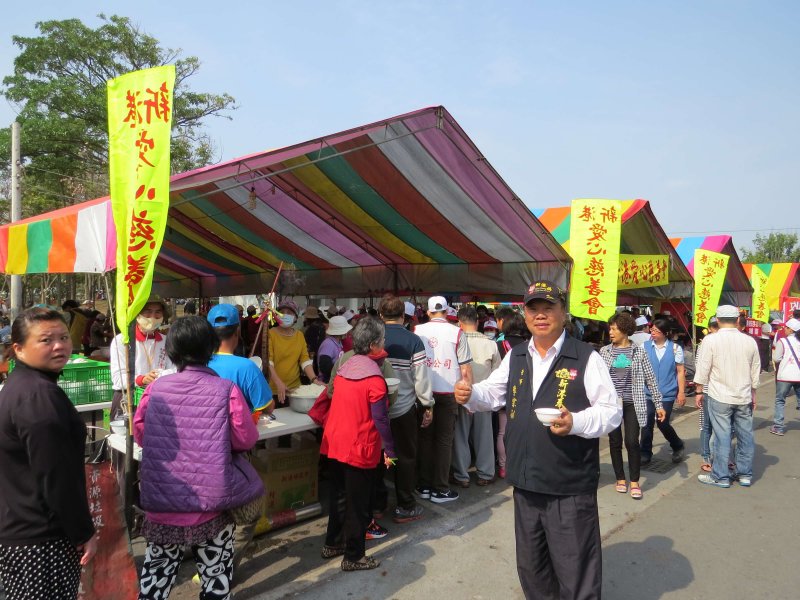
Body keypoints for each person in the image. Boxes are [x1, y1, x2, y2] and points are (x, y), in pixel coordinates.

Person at [454, 280, 621, 599]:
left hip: (568, 486)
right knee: (533, 568)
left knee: (575, 572)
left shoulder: (585, 356)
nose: (540, 315)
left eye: (548, 307)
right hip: (526, 483)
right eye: (533, 309)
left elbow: (611, 411)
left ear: (563, 312)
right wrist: (470, 393)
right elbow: (493, 392)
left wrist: (576, 422)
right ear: (525, 314)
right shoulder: (517, 355)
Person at [134, 316, 262, 599]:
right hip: (211, 504)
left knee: (155, 581)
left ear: (173, 351)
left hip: (163, 502)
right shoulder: (226, 390)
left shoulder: (154, 389)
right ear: (211, 348)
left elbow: (142, 435)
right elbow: (245, 439)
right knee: (216, 580)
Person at [0, 308, 97, 599]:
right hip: (41, 539)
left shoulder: (22, 386)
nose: (59, 346)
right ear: (18, 348)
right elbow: (57, 476)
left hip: (20, 528)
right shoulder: (38, 396)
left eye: (64, 337)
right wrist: (83, 532)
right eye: (46, 340)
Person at [320, 317, 397, 571]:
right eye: (382, 340)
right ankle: (354, 556)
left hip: (335, 443)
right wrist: (390, 449)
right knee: (359, 504)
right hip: (358, 447)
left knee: (340, 497)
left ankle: (333, 543)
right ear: (374, 345)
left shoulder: (345, 368)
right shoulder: (374, 378)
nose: (384, 344)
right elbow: (381, 419)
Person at [378, 295, 433, 523]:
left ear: (381, 315)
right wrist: (427, 405)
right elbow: (421, 378)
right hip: (404, 409)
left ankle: (377, 505)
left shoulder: (374, 338)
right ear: (404, 316)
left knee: (376, 457)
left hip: (376, 409)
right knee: (406, 457)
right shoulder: (414, 341)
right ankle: (405, 506)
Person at [414, 296, 473, 503]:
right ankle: (440, 489)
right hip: (449, 393)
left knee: (425, 439)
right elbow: (465, 370)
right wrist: (468, 397)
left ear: (428, 312)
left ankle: (423, 486)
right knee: (444, 442)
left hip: (423, 393)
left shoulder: (417, 330)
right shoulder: (457, 332)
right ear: (447, 311)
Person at [599, 312, 665, 500]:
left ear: (625, 330)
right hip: (612, 404)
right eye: (610, 328)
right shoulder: (604, 351)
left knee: (631, 441)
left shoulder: (639, 352)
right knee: (614, 441)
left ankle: (634, 481)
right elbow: (598, 379)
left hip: (633, 402)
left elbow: (651, 379)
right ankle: (620, 478)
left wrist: (658, 404)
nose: (610, 332)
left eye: (614, 329)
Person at [694, 305, 761, 488]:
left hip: (719, 395)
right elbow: (755, 369)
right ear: (738, 320)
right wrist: (754, 392)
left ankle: (720, 476)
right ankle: (744, 474)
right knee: (745, 435)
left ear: (717, 320)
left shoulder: (710, 340)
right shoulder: (749, 341)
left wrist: (699, 391)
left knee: (721, 436)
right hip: (743, 395)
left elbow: (703, 368)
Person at [451, 306, 501, 488]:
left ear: (459, 322)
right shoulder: (490, 343)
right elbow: (497, 373)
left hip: (461, 395)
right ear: (478, 322)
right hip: (484, 396)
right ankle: (486, 474)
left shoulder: (455, 341)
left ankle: (461, 475)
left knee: (460, 436)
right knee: (484, 437)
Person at [109, 296, 175, 420]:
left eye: (158, 312)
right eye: (148, 312)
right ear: (137, 314)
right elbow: (117, 378)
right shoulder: (122, 340)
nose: (153, 317)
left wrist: (163, 375)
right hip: (128, 400)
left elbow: (174, 369)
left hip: (158, 399)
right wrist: (142, 379)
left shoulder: (166, 341)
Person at [640, 317, 686, 465]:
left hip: (667, 393)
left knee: (663, 423)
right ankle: (645, 452)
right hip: (647, 392)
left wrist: (681, 392)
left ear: (665, 333)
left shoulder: (675, 349)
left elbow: (680, 371)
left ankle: (677, 445)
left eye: (657, 331)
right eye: (652, 330)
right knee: (646, 421)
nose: (653, 333)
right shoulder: (644, 346)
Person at [495, 311, 530, 479]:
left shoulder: (498, 344)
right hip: (524, 393)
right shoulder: (529, 344)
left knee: (503, 431)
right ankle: (522, 462)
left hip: (504, 392)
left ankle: (504, 466)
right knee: (522, 429)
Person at [267, 300, 323, 403]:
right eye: (281, 312)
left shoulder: (299, 335)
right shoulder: (270, 334)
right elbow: (268, 362)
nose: (285, 315)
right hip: (274, 390)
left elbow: (305, 360)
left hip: (295, 390)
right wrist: (278, 383)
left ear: (296, 317)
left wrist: (314, 380)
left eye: (289, 313)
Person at [769, 318, 800, 436]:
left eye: (786, 327)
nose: (784, 329)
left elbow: (776, 358)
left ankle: (778, 427)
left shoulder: (783, 341)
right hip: (798, 375)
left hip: (785, 376)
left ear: (791, 330)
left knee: (780, 401)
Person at [696, 317, 719, 472]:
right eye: (714, 327)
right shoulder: (705, 343)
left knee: (718, 426)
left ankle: (718, 456)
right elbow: (700, 367)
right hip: (707, 389)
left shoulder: (724, 341)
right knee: (708, 425)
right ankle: (706, 456)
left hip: (719, 390)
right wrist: (699, 390)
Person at [316, 316, 352, 383]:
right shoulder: (328, 344)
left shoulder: (338, 342)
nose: (347, 333)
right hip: (327, 381)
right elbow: (324, 366)